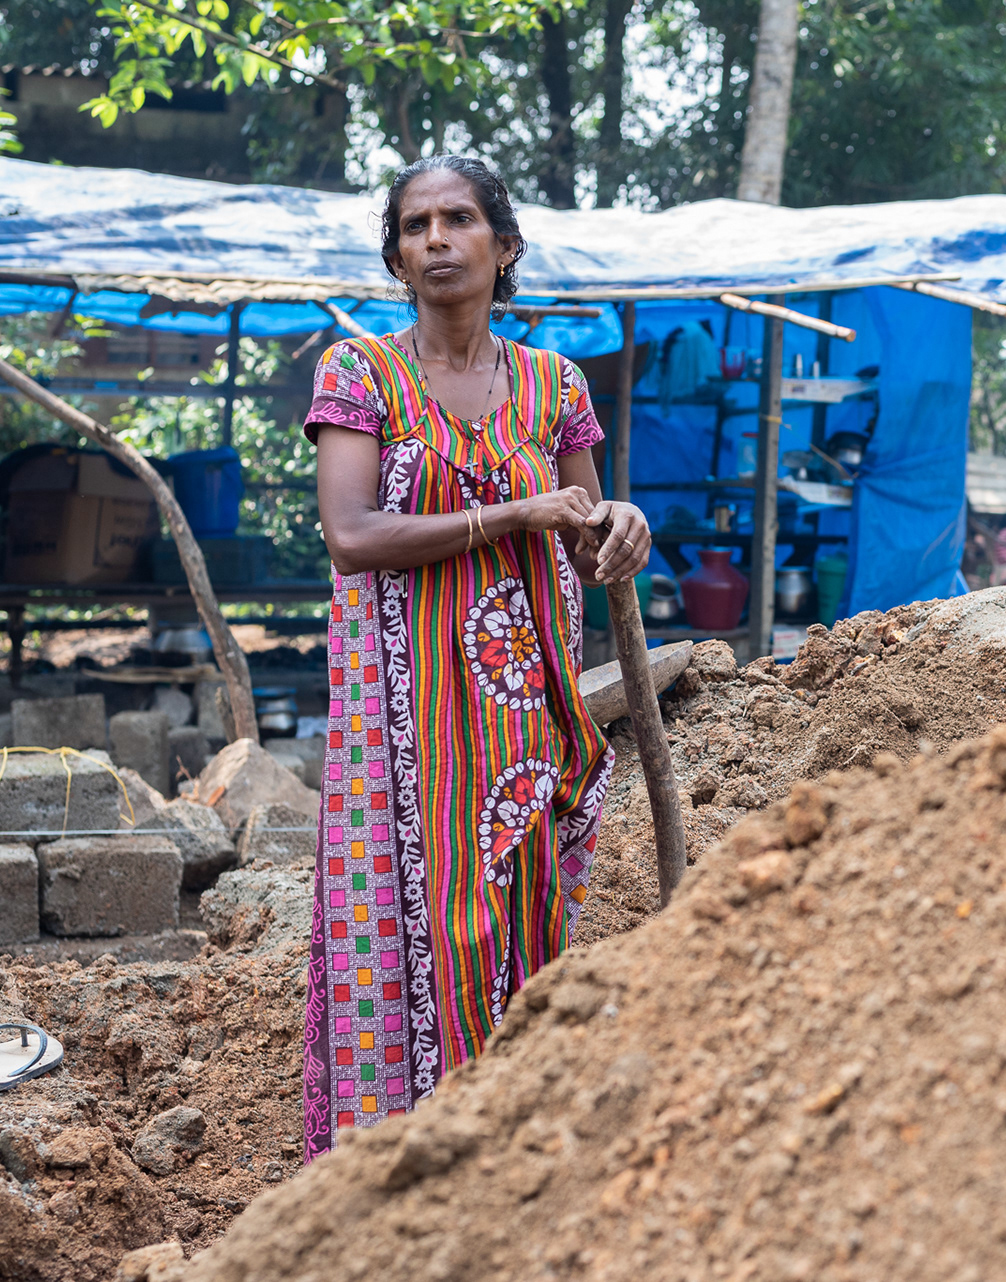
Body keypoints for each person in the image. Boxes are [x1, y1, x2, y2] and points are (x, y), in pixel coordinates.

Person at [299, 154, 651, 1160]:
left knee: (516, 924)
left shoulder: (554, 383)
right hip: (402, 731)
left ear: (504, 246)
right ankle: (391, 1164)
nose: (438, 240)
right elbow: (353, 536)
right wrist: (510, 515)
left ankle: (509, 1151)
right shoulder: (358, 371)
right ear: (397, 255)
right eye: (416, 226)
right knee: (411, 932)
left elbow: (586, 536)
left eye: (460, 220)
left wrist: (625, 526)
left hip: (520, 718)